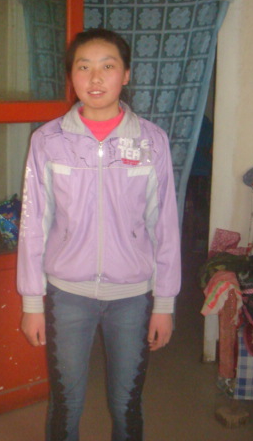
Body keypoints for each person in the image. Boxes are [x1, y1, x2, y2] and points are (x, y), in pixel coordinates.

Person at [17, 28, 181, 441]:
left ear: (125, 74)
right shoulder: (48, 141)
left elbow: (164, 225)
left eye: (107, 66)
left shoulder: (152, 141)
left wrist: (164, 303)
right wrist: (32, 302)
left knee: (127, 404)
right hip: (67, 295)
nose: (95, 78)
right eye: (83, 67)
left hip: (132, 298)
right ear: (70, 75)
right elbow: (34, 224)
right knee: (65, 402)